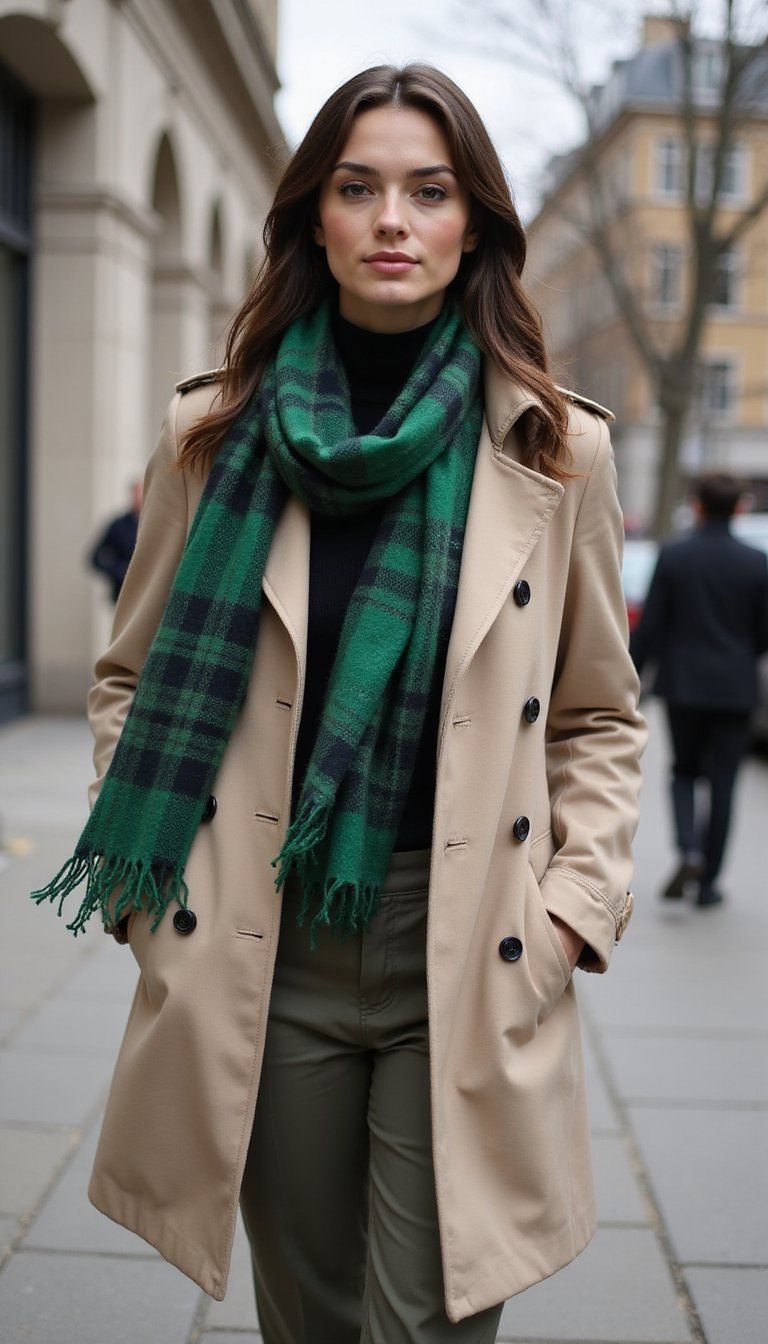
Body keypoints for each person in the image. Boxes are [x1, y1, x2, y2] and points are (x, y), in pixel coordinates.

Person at [31, 64, 648, 1342]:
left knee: (435, 1315)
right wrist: (155, 902)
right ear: (314, 212)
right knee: (307, 1312)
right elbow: (131, 679)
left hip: (472, 934)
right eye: (358, 187)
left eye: (428, 192)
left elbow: (596, 714)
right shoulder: (215, 433)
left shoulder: (550, 447)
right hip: (266, 930)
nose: (392, 220)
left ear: (472, 221)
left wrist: (576, 908)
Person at [630, 471, 768, 909]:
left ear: (698, 506)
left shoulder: (674, 556)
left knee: (683, 771)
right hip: (736, 687)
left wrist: (631, 677)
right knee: (724, 782)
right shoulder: (756, 562)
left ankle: (687, 847)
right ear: (740, 508)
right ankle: (708, 883)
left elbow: (651, 625)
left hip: (683, 684)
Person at [87, 478, 143, 603]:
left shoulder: (157, 525)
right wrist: (119, 571)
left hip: (149, 593)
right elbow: (95, 557)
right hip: (122, 594)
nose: (140, 498)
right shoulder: (118, 525)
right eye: (138, 493)